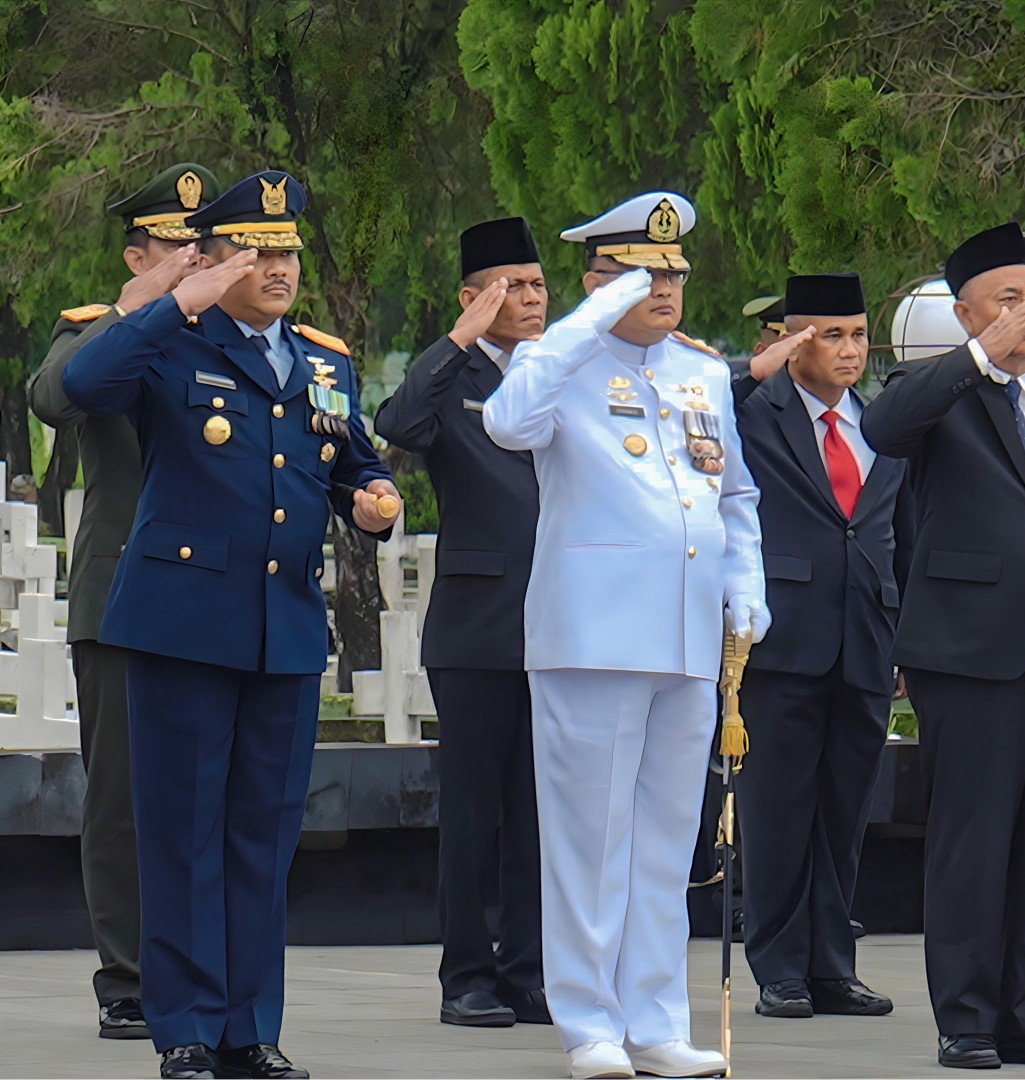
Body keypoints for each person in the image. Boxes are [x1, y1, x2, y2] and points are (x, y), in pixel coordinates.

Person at [62, 170, 401, 1080]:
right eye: (256, 251)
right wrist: (174, 303)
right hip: (180, 623)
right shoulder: (170, 345)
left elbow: (351, 458)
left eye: (287, 251)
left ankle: (250, 1025)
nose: (280, 268)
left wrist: (375, 498)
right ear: (209, 259)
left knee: (262, 835)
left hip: (282, 627)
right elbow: (85, 384)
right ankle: (183, 1026)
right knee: (180, 832)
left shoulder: (322, 361)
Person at [483, 191, 766, 1080]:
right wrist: (588, 318)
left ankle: (654, 1019)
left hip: (685, 638)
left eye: (675, 271)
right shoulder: (556, 362)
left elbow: (736, 495)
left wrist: (745, 583)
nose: (666, 288)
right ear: (598, 278)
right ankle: (589, 1025)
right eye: (645, 273)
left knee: (663, 840)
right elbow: (506, 422)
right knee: (589, 842)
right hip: (593, 635)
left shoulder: (701, 371)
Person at [861, 222, 1025, 1071]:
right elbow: (885, 429)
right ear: (967, 313)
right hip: (969, 649)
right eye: (1006, 301)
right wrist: (979, 359)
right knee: (973, 839)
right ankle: (968, 1019)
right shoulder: (938, 389)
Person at [29, 162, 219, 1042]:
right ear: (138, 253)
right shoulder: (96, 332)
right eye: (175, 245)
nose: (193, 258)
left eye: (202, 243)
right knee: (124, 797)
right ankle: (128, 975)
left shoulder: (236, 339)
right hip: (120, 591)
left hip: (216, 593)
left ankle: (207, 965)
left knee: (216, 794)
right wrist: (134, 309)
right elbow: (54, 396)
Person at [372, 217, 550, 1028]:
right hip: (480, 625)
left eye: (541, 285)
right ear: (475, 297)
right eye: (514, 287)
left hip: (565, 624)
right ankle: (468, 976)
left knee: (543, 814)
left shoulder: (561, 372)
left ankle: (530, 971)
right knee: (477, 811)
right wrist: (457, 341)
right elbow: (399, 426)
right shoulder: (455, 377)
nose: (533, 300)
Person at [728, 272, 907, 1020]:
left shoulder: (882, 420)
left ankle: (833, 964)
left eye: (859, 334)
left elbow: (896, 529)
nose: (849, 350)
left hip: (865, 635)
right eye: (830, 335)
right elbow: (701, 413)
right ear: (792, 338)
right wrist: (753, 369)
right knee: (778, 810)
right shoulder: (757, 412)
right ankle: (778, 966)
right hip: (784, 638)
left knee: (843, 813)